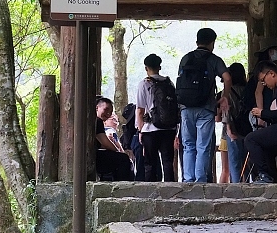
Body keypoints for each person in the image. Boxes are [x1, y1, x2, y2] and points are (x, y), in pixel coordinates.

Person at [176, 28, 232, 183]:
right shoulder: (214, 59)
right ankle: (200, 180)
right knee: (203, 146)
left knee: (188, 145)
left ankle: (188, 178)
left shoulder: (186, 59)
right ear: (212, 43)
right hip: (206, 108)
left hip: (186, 108)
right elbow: (227, 78)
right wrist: (224, 97)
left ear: (197, 41)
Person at [135, 54, 178, 182]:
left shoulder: (144, 84)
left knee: (150, 163)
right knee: (168, 161)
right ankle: (171, 188)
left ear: (146, 68)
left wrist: (140, 130)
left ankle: (152, 190)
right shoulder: (169, 83)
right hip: (169, 127)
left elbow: (140, 109)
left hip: (150, 129)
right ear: (159, 67)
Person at [244, 60, 277, 184]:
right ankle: (273, 177)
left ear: (271, 73)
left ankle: (264, 174)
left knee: (250, 139)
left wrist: (262, 113)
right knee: (264, 144)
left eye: (263, 80)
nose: (264, 84)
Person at [95, 97, 134, 181]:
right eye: (106, 109)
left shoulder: (97, 121)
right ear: (97, 107)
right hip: (92, 156)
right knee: (123, 159)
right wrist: (118, 151)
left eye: (110, 112)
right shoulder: (97, 121)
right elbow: (105, 143)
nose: (108, 114)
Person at [223, 62, 249, 183]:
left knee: (234, 162)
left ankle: (235, 186)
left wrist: (228, 128)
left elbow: (226, 111)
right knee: (247, 161)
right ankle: (248, 184)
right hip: (247, 129)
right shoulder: (248, 90)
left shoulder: (228, 92)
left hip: (233, 129)